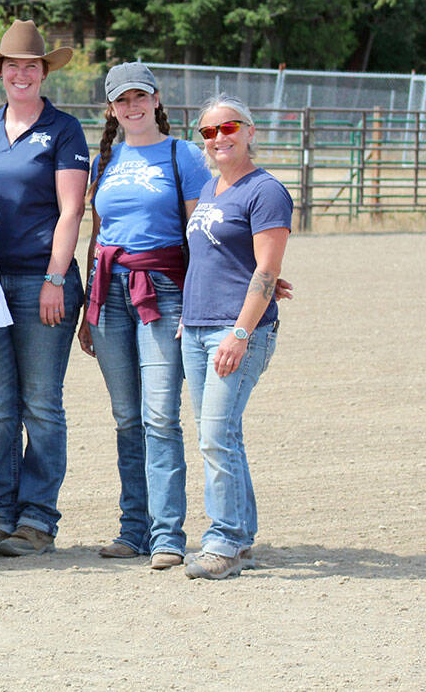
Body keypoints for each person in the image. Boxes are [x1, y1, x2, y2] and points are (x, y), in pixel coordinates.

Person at [75, 63, 210, 570]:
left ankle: (167, 534)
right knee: (127, 417)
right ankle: (133, 528)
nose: (132, 106)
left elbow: (203, 236)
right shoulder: (102, 161)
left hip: (164, 290)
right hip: (109, 291)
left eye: (140, 97)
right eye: (121, 100)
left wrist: (195, 305)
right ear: (111, 109)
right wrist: (90, 306)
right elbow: (96, 234)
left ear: (156, 100)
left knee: (159, 416)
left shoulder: (184, 156)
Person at [0, 19, 89, 557]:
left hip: (42, 277)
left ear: (43, 72)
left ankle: (37, 519)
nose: (21, 73)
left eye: (30, 66)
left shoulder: (63, 130)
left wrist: (56, 277)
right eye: (12, 65)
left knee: (40, 403)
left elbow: (71, 209)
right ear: (0, 72)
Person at [181, 94, 292, 580]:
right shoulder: (211, 189)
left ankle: (223, 541)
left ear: (250, 131)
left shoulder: (264, 191)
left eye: (229, 128)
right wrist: (191, 315)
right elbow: (216, 259)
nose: (219, 138)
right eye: (208, 132)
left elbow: (267, 269)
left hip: (236, 331)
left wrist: (242, 332)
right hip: (199, 326)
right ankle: (240, 539)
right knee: (223, 435)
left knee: (214, 437)